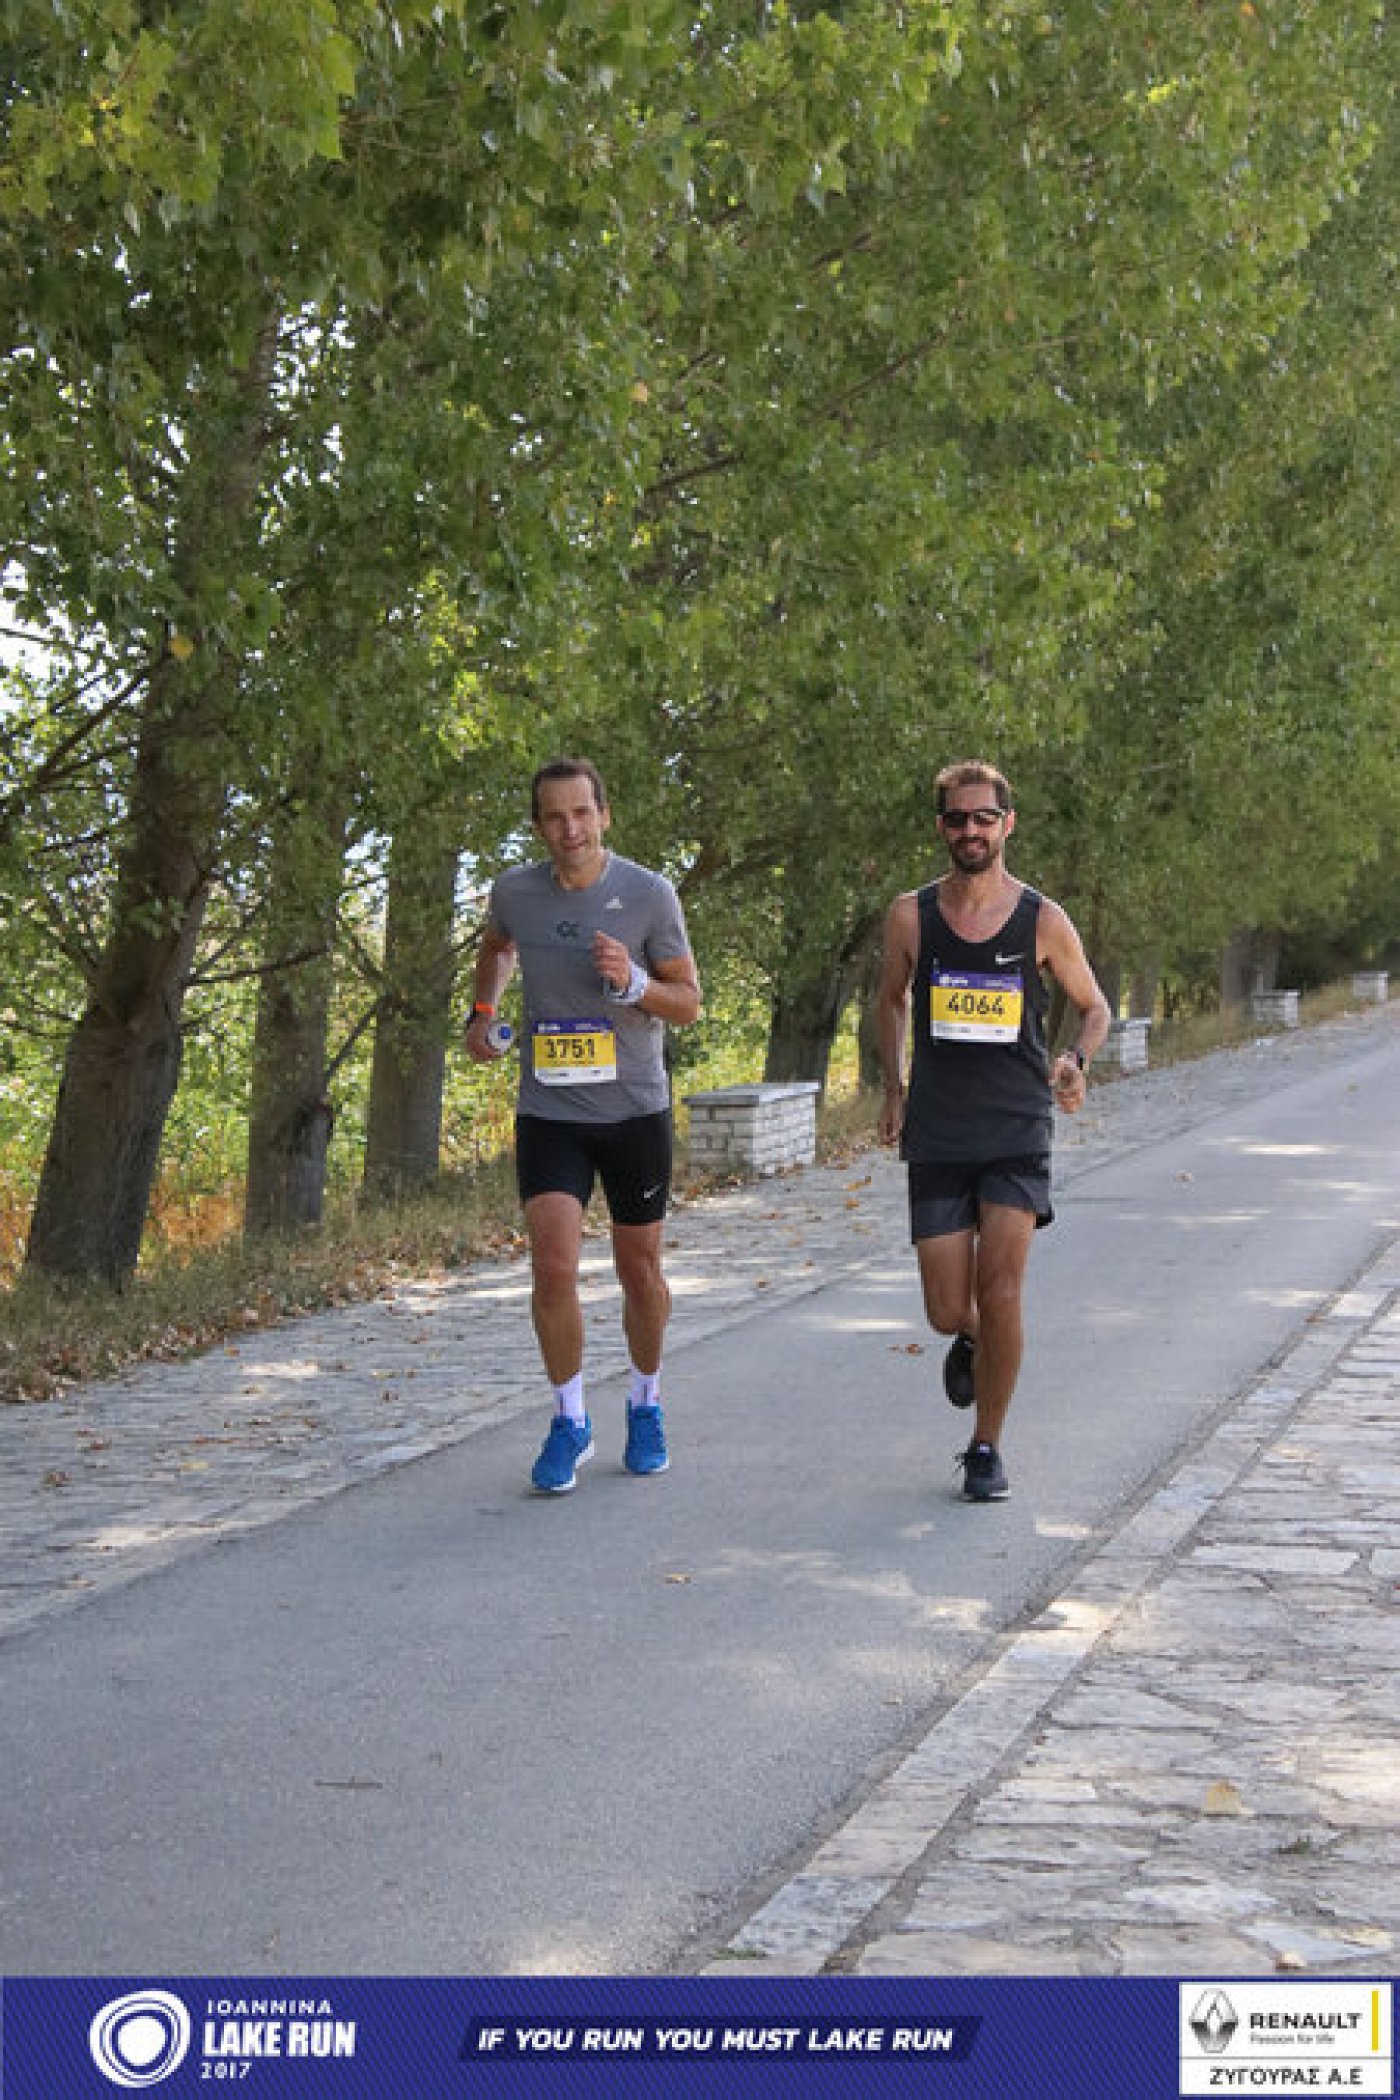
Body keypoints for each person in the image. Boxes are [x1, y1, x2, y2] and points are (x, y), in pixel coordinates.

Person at [876, 760, 1110, 1503]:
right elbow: (891, 1001)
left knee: (1003, 1289)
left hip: (1016, 1127)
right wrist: (894, 1087)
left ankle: (985, 1447)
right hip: (939, 1131)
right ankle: (976, 1338)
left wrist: (1074, 1061)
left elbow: (1095, 1007)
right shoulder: (911, 916)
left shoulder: (1042, 919)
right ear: (941, 827)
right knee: (949, 1309)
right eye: (957, 818)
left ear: (1007, 824)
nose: (970, 829)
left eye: (984, 817)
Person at [466, 758, 702, 1494]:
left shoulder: (649, 895)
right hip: (551, 1110)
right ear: (538, 826)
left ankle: (645, 1402)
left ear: (604, 815)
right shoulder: (515, 892)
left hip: (633, 1109)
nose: (570, 829)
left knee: (640, 1272)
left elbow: (688, 1003)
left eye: (581, 813)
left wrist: (634, 981)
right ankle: (569, 1418)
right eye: (554, 816)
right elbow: (497, 946)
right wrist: (483, 1013)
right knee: (552, 1266)